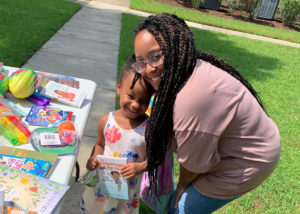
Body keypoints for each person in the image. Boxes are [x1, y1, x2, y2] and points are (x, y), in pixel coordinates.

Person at [132, 13, 281, 214]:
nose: (148, 69)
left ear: (176, 48)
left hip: (251, 159)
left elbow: (194, 166)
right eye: (140, 62)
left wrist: (182, 188)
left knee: (180, 209)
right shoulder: (187, 70)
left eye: (156, 56)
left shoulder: (191, 97)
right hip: (239, 142)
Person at [80, 55, 154, 214]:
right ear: (119, 88)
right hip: (104, 183)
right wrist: (93, 159)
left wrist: (140, 167)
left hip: (127, 189)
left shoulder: (148, 128)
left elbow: (155, 159)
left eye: (143, 100)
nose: (135, 104)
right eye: (131, 96)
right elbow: (100, 145)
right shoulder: (106, 121)